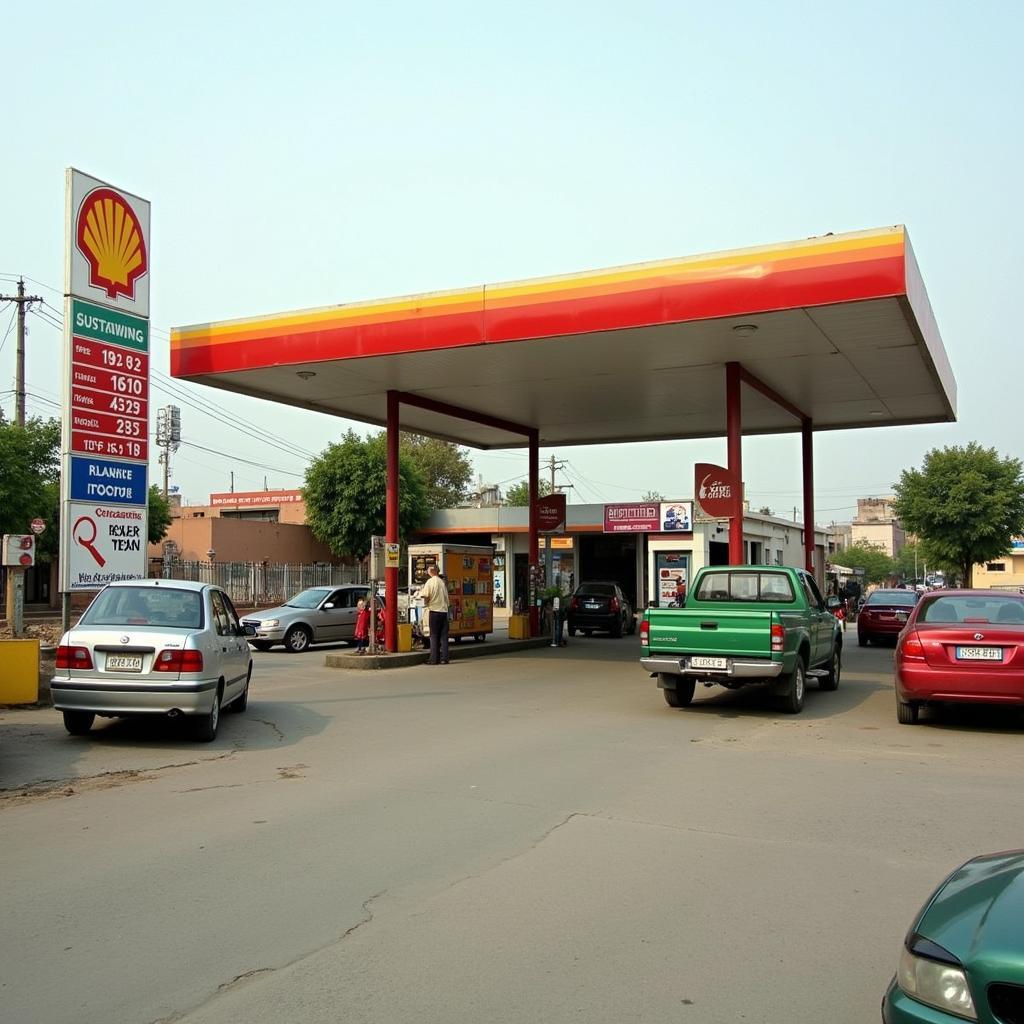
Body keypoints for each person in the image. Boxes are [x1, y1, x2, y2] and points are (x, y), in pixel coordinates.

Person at [419, 563, 450, 665]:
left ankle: (434, 659)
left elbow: (425, 595)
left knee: (434, 636)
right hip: (444, 612)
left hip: (434, 612)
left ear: (431, 571)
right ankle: (444, 658)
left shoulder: (430, 582)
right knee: (444, 636)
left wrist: (426, 602)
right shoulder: (442, 583)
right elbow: (447, 600)